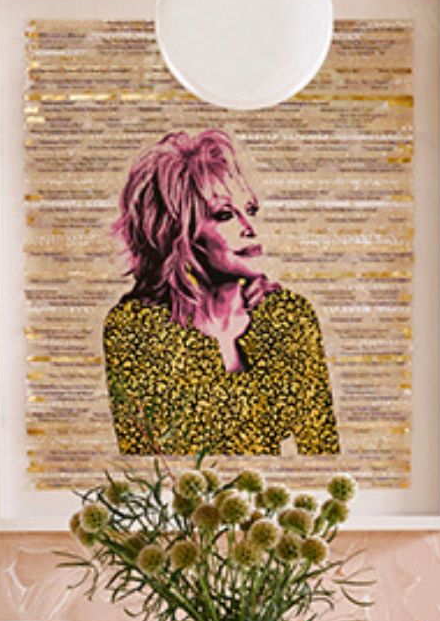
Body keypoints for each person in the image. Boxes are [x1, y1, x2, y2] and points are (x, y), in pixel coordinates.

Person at [98, 126, 338, 456]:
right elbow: (145, 469)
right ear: (176, 232)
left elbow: (322, 454)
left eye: (250, 210)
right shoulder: (135, 328)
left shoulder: (288, 316)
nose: (250, 229)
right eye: (225, 215)